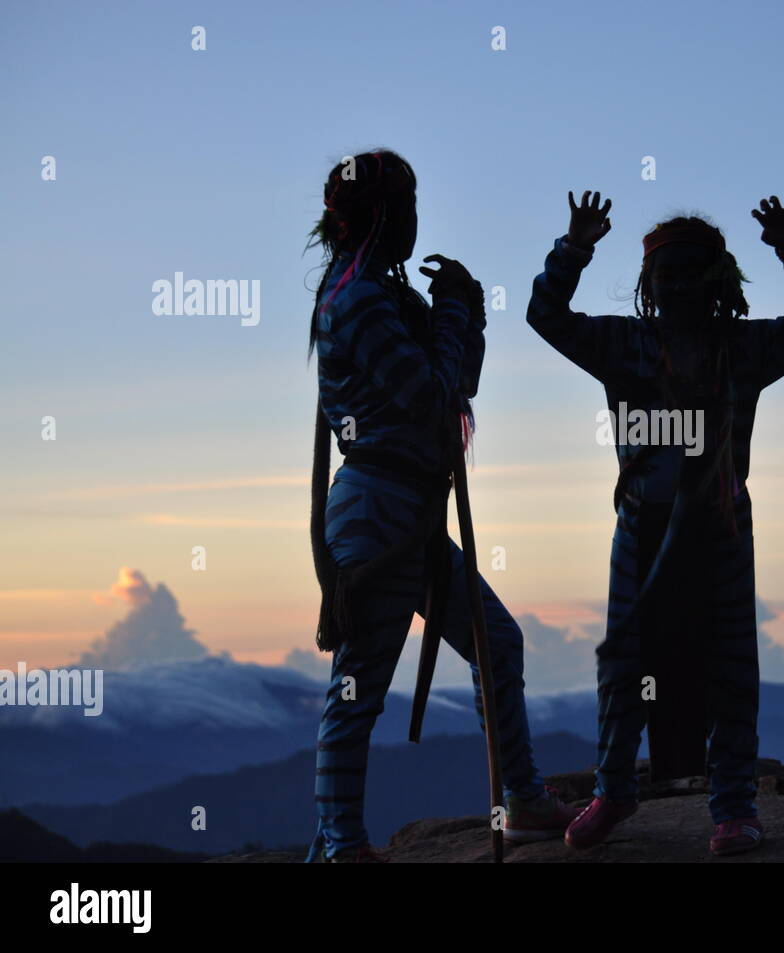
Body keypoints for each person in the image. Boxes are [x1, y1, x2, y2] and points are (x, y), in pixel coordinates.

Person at [526, 189, 784, 855]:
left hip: (722, 528)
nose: (673, 284)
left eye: (686, 271)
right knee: (623, 663)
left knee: (729, 663)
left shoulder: (744, 348)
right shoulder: (621, 343)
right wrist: (575, 244)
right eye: (662, 273)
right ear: (648, 281)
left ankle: (732, 804)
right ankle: (614, 790)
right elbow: (545, 314)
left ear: (714, 280)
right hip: (641, 525)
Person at [303, 150, 575, 862]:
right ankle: (341, 843)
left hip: (400, 509)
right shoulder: (360, 298)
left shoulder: (371, 293)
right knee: (359, 688)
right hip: (383, 510)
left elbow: (462, 379)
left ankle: (521, 800)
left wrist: (465, 311)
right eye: (411, 208)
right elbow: (431, 393)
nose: (418, 223)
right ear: (388, 216)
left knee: (498, 644)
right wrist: (456, 308)